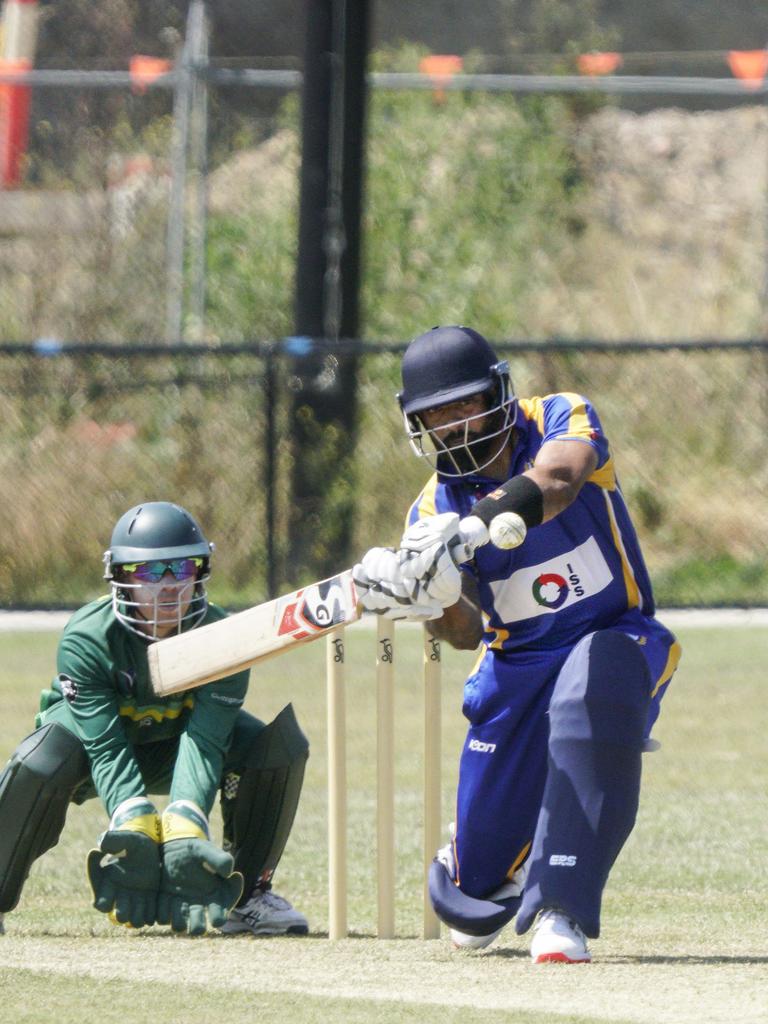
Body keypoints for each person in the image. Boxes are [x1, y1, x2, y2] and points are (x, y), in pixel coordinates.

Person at [353, 325, 681, 963]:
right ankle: (484, 854)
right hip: (515, 669)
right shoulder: (429, 513)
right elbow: (465, 632)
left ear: (499, 395)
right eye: (435, 418)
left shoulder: (559, 415)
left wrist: (468, 532)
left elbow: (560, 479)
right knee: (469, 908)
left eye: (464, 408)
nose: (453, 429)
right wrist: (428, 595)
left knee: (591, 691)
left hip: (619, 635)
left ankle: (563, 908)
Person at [0, 501, 309, 938]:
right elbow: (104, 746)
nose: (168, 589)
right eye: (149, 573)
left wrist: (184, 825)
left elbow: (206, 741)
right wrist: (134, 821)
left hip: (178, 746)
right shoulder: (87, 639)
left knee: (275, 750)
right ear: (121, 578)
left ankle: (249, 896)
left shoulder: (224, 639)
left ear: (200, 573)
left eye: (181, 569)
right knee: (40, 759)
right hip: (89, 753)